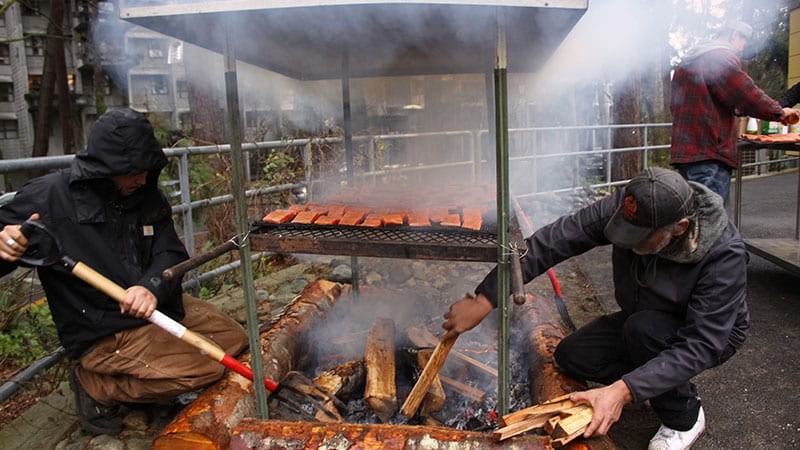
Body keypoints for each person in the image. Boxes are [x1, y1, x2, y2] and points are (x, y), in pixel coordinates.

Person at [441, 167, 748, 450]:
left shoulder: (723, 255)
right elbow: (556, 239)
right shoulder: (632, 206)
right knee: (572, 356)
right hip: (640, 317)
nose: (627, 242)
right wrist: (486, 298)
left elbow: (703, 343)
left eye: (638, 237)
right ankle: (652, 379)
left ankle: (684, 414)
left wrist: (623, 391)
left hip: (705, 334)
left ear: (679, 228)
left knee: (643, 332)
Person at [0, 109, 248, 435]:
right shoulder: (49, 197)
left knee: (237, 339)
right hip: (103, 330)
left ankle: (150, 371)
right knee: (205, 369)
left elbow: (169, 251)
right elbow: (8, 238)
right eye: (130, 172)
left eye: (146, 169)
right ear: (104, 169)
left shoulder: (146, 196)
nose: (140, 179)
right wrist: (5, 243)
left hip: (157, 307)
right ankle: (96, 386)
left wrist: (150, 287)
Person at [669, 19, 798, 205]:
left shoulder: (688, 61)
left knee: (693, 218)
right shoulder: (720, 57)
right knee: (711, 221)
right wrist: (778, 112)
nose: (742, 48)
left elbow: (676, 105)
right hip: (710, 152)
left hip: (686, 153)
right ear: (734, 35)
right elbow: (745, 93)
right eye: (743, 42)